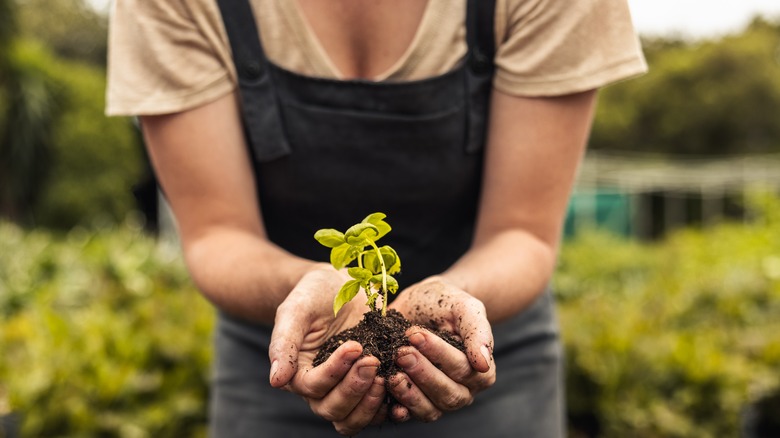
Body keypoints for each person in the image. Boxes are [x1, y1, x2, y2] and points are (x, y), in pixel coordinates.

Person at [107, 0, 646, 436]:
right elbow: (217, 234)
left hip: (486, 346)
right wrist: (310, 282)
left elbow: (522, 231)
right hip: (280, 357)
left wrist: (450, 295)